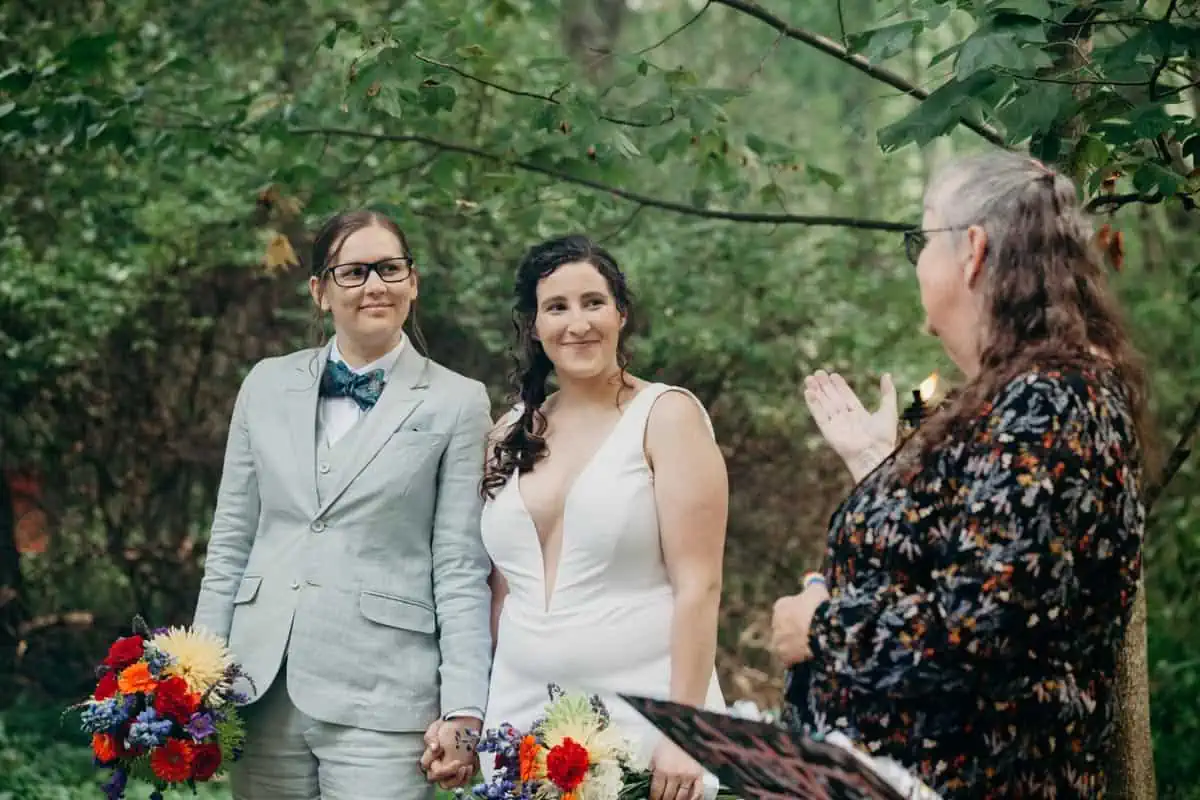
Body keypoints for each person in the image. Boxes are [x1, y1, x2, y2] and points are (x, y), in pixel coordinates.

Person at [771, 151, 1151, 798]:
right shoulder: (1007, 401)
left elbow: (978, 631)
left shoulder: (1052, 405)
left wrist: (822, 629)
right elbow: (960, 557)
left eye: (923, 238)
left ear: (971, 250)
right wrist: (874, 465)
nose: (918, 261)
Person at [193, 210, 492, 799]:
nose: (374, 285)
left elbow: (461, 568)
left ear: (414, 282)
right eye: (353, 272)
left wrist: (464, 709)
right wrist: (195, 675)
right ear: (320, 292)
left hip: (385, 697)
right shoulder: (265, 385)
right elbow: (230, 540)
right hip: (258, 685)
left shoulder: (459, 403)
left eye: (389, 268)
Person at [451, 234, 727, 800]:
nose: (578, 323)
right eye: (557, 307)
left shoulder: (666, 417)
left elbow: (700, 585)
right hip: (522, 725)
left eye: (593, 303)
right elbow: (499, 591)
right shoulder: (509, 433)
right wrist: (474, 714)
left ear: (620, 314)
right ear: (533, 326)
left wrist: (685, 731)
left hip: (642, 720)